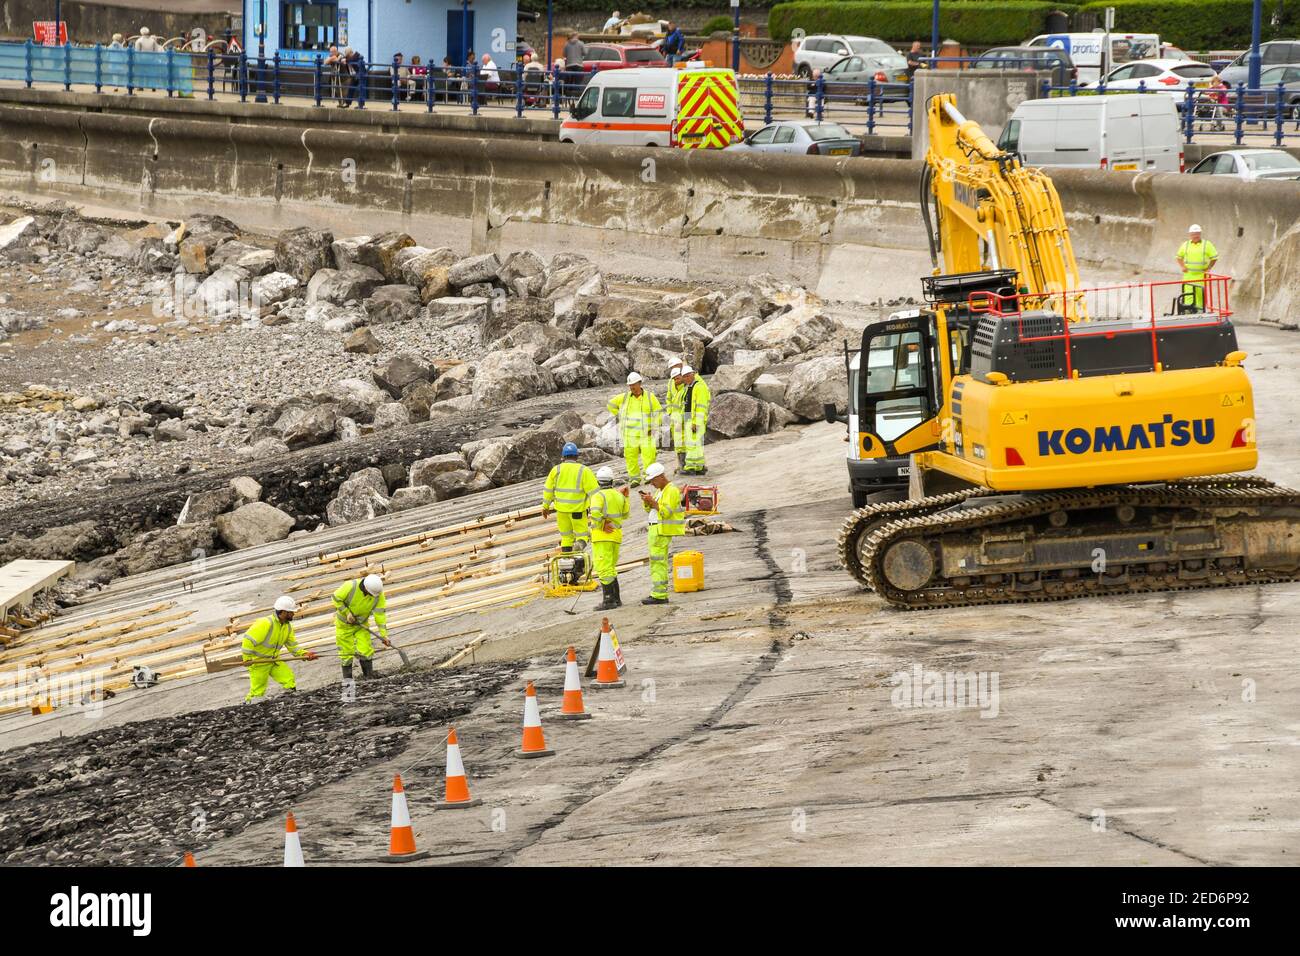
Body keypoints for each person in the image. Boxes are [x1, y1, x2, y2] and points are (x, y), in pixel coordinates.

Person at [241, 595, 318, 703]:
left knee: (288, 679)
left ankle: (289, 701)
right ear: (284, 612)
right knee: (258, 691)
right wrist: (247, 658)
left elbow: (293, 647)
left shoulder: (287, 627)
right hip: (259, 662)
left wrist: (305, 654)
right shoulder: (265, 623)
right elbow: (248, 640)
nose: (293, 614)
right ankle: (248, 705)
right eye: (291, 612)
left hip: (274, 660)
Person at [638, 462, 686, 605]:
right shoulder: (661, 491)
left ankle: (659, 594)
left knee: (658, 563)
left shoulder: (671, 490)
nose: (651, 483)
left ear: (660, 477)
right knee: (656, 563)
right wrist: (647, 502)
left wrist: (652, 502)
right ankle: (659, 593)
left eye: (652, 480)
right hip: (656, 530)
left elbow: (666, 512)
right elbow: (652, 510)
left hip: (661, 531)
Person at [541, 442, 600, 554]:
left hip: (561, 511)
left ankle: (567, 561)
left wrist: (545, 506)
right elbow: (595, 493)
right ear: (577, 456)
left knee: (566, 538)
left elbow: (548, 489)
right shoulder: (583, 470)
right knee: (582, 536)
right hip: (577, 511)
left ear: (563, 457)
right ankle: (578, 555)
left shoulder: (556, 470)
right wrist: (598, 509)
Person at [607, 371, 662, 487]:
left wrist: (654, 426)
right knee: (630, 457)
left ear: (640, 383)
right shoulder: (624, 397)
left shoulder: (649, 397)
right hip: (629, 434)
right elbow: (610, 404)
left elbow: (658, 413)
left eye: (634, 384)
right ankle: (634, 479)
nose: (632, 387)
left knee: (649, 455)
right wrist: (619, 414)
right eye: (630, 385)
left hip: (646, 433)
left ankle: (649, 476)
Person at [332, 573, 391, 681]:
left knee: (366, 650)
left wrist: (384, 635)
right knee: (346, 654)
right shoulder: (350, 586)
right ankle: (348, 681)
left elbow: (380, 615)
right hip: (344, 626)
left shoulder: (377, 594)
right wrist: (346, 612)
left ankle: (368, 678)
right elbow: (335, 598)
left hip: (361, 626)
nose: (372, 596)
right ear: (364, 588)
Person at [588, 466, 630, 610]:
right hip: (616, 536)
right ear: (612, 480)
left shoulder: (598, 496)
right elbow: (625, 514)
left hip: (602, 537)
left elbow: (594, 514)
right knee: (611, 567)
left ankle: (608, 600)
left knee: (603, 568)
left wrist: (602, 524)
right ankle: (616, 599)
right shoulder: (619, 496)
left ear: (598, 481)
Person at [677, 365, 711, 475]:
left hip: (695, 421)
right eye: (684, 377)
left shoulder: (699, 387)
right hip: (689, 419)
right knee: (692, 444)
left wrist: (697, 422)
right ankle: (695, 466)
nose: (686, 379)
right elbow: (686, 405)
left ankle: (694, 467)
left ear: (692, 375)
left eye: (687, 376)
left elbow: (701, 407)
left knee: (695, 444)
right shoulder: (689, 387)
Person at [1176, 224, 1218, 311]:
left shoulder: (1207, 244)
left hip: (1201, 275)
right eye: (1193, 234)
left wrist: (1209, 267)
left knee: (1200, 294)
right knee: (1188, 294)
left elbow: (1214, 257)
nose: (1195, 236)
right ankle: (1188, 312)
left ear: (1200, 234)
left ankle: (1200, 312)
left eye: (1197, 234)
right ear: (1190, 235)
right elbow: (1179, 257)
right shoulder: (1186, 245)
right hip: (1189, 275)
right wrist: (1183, 266)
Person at [664, 359, 686, 472]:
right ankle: (681, 464)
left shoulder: (687, 380)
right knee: (678, 443)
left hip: (684, 417)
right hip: (674, 417)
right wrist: (669, 411)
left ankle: (687, 465)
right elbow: (668, 397)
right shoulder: (671, 381)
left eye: (676, 366)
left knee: (685, 442)